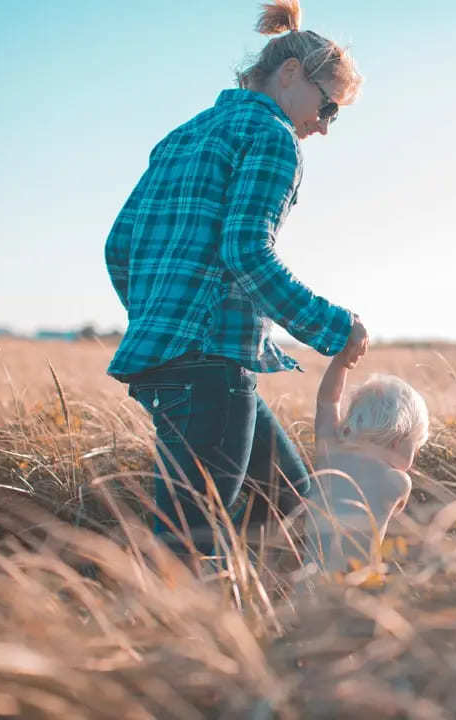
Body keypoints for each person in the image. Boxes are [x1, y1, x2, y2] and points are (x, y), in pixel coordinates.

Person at [103, 0, 366, 557]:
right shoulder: (274, 137)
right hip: (210, 367)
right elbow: (246, 252)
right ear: (291, 74)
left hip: (170, 360)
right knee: (189, 550)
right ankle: (175, 641)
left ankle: (301, 633)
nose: (323, 127)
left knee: (296, 509)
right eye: (329, 108)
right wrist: (335, 328)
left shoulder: (183, 135)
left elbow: (119, 247)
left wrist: (161, 320)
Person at [303, 346, 429, 572]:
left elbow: (327, 401)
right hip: (357, 586)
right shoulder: (398, 482)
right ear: (398, 442)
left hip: (309, 581)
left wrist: (341, 361)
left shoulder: (330, 452)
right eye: (416, 446)